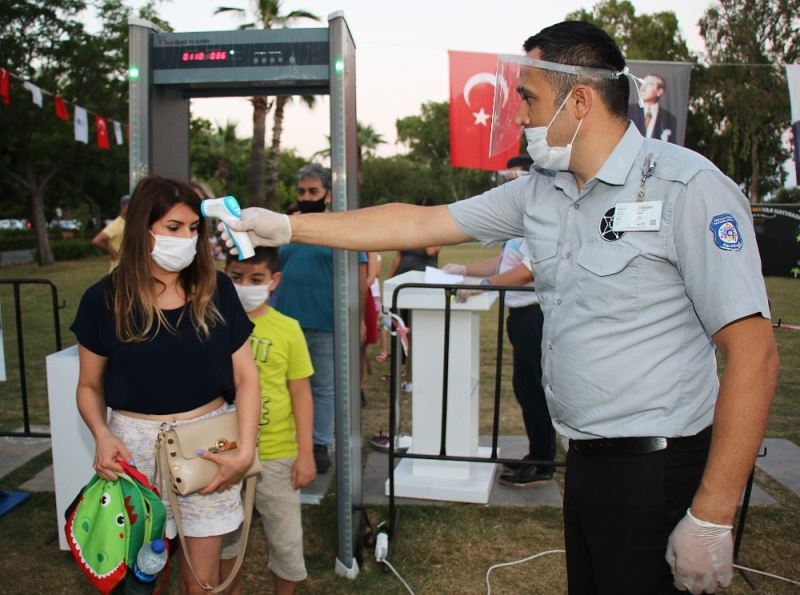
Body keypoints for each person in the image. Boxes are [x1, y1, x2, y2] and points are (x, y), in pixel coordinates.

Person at [223, 20, 779, 595]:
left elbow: (754, 357)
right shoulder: (542, 190)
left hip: (660, 469)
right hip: (586, 463)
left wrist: (712, 514)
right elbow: (419, 222)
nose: (517, 116)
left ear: (579, 101)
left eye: (528, 98)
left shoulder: (686, 188)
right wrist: (288, 225)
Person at [72, 175, 260, 594]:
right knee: (144, 579)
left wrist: (246, 449)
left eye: (194, 228)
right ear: (143, 228)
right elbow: (89, 386)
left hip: (208, 444)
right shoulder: (103, 299)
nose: (187, 239)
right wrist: (102, 435)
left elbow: (247, 377)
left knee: (202, 582)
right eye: (174, 227)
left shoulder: (217, 289)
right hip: (132, 450)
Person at [443, 157, 555, 486]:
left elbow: (527, 271)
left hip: (534, 315)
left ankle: (543, 463)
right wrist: (464, 270)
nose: (508, 186)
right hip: (520, 316)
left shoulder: (543, 219)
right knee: (525, 388)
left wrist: (483, 286)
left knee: (534, 389)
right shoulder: (523, 220)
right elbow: (505, 261)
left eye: (513, 179)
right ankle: (537, 455)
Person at [220, 247, 315, 595]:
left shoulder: (288, 329)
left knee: (286, 540)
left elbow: (301, 393)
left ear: (274, 281)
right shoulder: (213, 324)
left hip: (277, 453)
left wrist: (305, 453)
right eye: (236, 277)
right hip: (225, 450)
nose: (245, 286)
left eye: (256, 279)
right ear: (224, 276)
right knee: (225, 539)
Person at [274, 164, 368, 474]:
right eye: (301, 191)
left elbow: (360, 280)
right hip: (286, 321)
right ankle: (289, 441)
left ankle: (319, 443)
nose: (306, 197)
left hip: (326, 322)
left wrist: (358, 320)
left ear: (327, 194)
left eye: (313, 191)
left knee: (323, 387)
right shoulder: (287, 227)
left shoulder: (342, 227)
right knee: (285, 384)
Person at [386, 197, 441, 278]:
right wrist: (390, 277)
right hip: (403, 276)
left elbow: (430, 251)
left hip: (424, 277)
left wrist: (424, 226)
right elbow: (399, 256)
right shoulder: (407, 228)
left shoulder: (437, 230)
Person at [628, 73, 678, 143]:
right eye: (642, 83)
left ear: (659, 91)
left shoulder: (669, 118)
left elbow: (671, 145)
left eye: (649, 84)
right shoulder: (627, 110)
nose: (643, 88)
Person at [91, 194, 130, 271]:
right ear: (123, 207)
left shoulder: (128, 223)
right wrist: (110, 251)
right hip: (119, 269)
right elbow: (96, 240)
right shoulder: (116, 225)